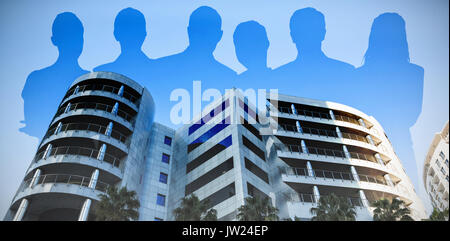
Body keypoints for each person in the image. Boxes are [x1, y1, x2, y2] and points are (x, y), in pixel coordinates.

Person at [354, 12, 424, 190]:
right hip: (391, 140)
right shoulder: (414, 72)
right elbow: (412, 115)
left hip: (375, 138)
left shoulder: (359, 74)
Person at [153, 6, 237, 126]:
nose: (204, 37)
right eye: (200, 30)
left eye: (209, 32)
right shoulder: (160, 68)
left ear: (219, 36)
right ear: (189, 31)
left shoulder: (230, 78)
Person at [21, 12, 89, 139]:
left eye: (78, 36)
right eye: (68, 37)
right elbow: (32, 123)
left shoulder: (90, 79)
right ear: (55, 40)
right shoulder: (35, 79)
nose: (75, 42)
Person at [273, 7, 354, 102]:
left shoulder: (346, 73)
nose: (308, 37)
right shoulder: (277, 78)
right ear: (293, 36)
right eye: (303, 32)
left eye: (311, 31)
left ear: (323, 33)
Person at [94, 7, 157, 86]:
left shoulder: (158, 71)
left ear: (144, 34)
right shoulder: (99, 75)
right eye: (128, 29)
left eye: (136, 28)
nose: (132, 35)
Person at [233, 21, 273, 90]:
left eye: (253, 43)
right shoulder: (235, 83)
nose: (247, 49)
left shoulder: (282, 78)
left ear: (266, 43)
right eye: (240, 45)